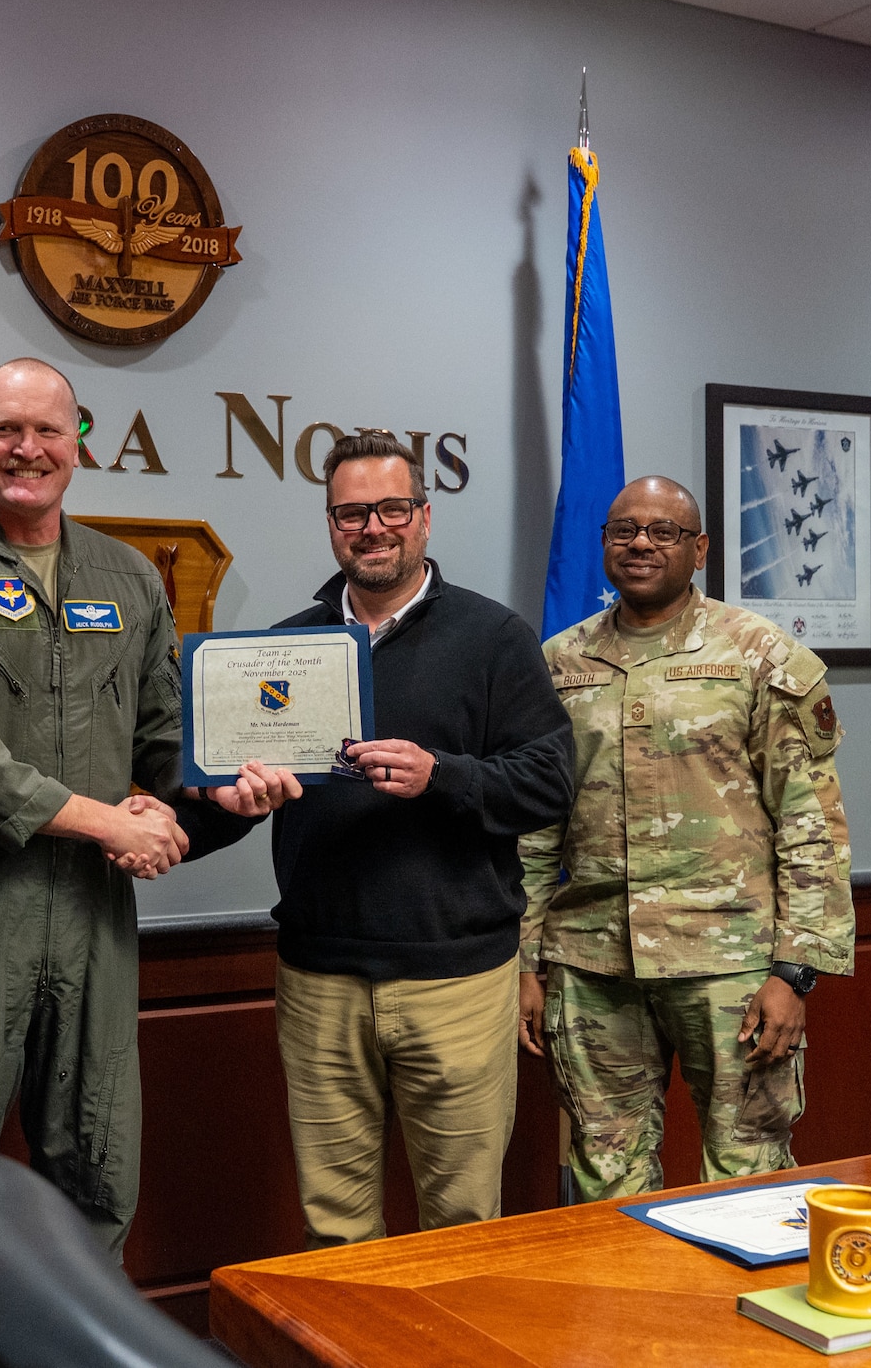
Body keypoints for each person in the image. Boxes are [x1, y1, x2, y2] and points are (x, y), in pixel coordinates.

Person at [0, 357, 291, 1367]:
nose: (26, 449)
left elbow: (157, 741)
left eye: (46, 431)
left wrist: (217, 787)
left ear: (76, 442)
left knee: (97, 1172)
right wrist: (106, 821)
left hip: (91, 923)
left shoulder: (124, 577)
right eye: (5, 429)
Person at [262, 431, 575, 1247]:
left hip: (458, 980)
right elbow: (236, 796)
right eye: (352, 512)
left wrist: (444, 775)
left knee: (464, 1228)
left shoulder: (493, 637)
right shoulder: (285, 647)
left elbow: (550, 784)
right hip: (319, 979)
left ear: (424, 517)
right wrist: (199, 803)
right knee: (334, 1233)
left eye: (392, 508)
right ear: (332, 524)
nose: (374, 527)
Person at [518, 475, 853, 1201]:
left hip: (730, 965)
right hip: (592, 963)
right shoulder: (557, 664)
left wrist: (794, 972)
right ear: (604, 544)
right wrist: (527, 961)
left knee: (748, 1177)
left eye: (663, 530)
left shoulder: (759, 654)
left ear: (698, 548)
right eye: (623, 529)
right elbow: (538, 828)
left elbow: (810, 820)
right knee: (606, 1181)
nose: (640, 542)